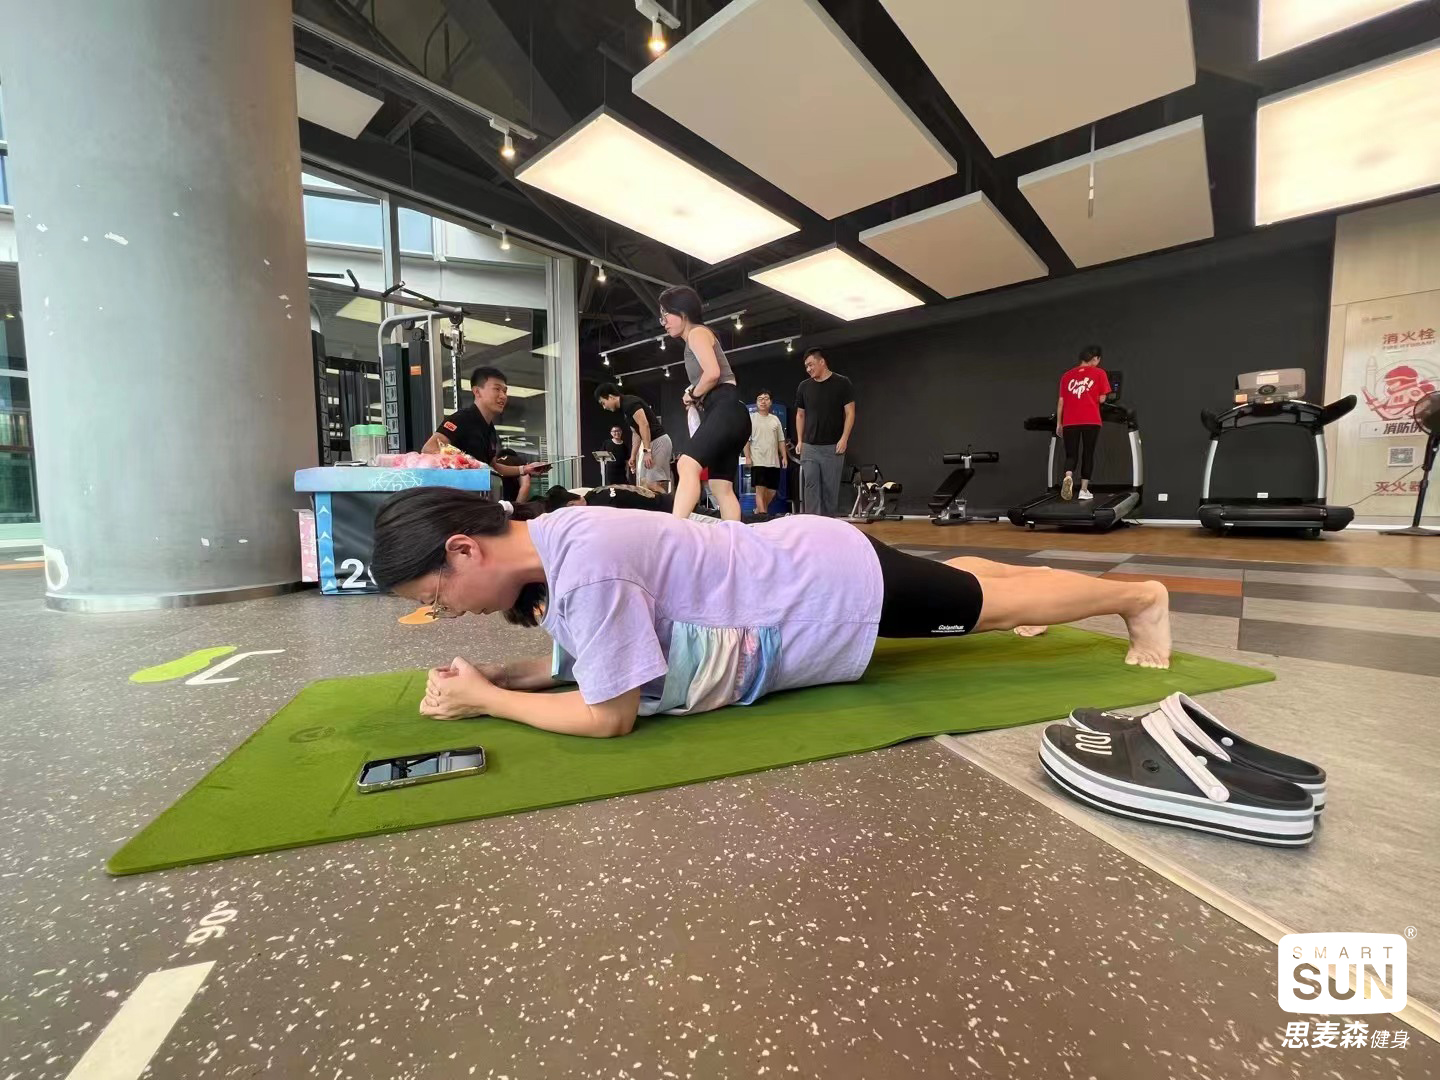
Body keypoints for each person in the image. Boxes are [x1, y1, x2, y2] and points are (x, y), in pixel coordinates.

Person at [370, 488, 1173, 738]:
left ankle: (1136, 599)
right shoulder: (563, 534)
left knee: (983, 608)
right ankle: (1045, 594)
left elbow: (609, 716)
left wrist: (487, 701)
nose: (448, 614)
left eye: (435, 598)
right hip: (810, 557)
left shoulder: (585, 568)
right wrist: (506, 673)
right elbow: (598, 652)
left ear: (464, 550)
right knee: (963, 581)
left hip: (830, 590)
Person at [660, 285, 752, 522]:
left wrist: (692, 394)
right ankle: (734, 538)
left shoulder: (697, 333)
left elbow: (712, 373)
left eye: (666, 315)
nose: (664, 322)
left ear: (682, 312)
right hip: (731, 414)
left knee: (686, 465)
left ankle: (675, 531)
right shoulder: (696, 337)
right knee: (721, 485)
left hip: (726, 410)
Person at [424, 365, 548, 487]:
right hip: (459, 493)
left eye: (505, 391)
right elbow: (429, 448)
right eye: (497, 389)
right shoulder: (462, 418)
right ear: (477, 391)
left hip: (480, 493)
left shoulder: (490, 429)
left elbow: (493, 466)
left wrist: (525, 469)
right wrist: (466, 462)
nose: (503, 396)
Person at [794, 349, 855, 516]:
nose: (808, 369)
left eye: (811, 365)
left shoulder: (842, 383)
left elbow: (850, 412)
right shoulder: (804, 386)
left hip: (833, 447)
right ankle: (813, 526)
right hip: (809, 447)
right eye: (806, 366)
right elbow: (800, 414)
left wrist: (844, 439)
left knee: (830, 490)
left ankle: (829, 525)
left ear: (822, 362)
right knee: (811, 487)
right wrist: (800, 440)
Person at [1056, 345, 1111, 502]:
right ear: (1095, 358)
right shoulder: (1100, 373)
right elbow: (1102, 399)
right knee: (1088, 453)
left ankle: (1068, 476)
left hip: (1069, 421)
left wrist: (1059, 423)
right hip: (1091, 420)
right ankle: (1084, 490)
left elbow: (1061, 402)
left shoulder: (1067, 375)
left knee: (1071, 454)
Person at [596, 384, 672, 493]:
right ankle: (657, 504)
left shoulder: (630, 403)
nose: (604, 407)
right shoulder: (625, 409)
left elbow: (644, 425)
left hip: (658, 441)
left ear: (611, 397)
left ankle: (669, 503)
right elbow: (636, 433)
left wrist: (647, 451)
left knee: (653, 483)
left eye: (603, 403)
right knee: (644, 483)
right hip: (650, 443)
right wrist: (633, 456)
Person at [744, 390, 788, 517]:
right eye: (760, 399)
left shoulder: (775, 419)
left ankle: (759, 511)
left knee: (772, 491)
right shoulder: (751, 419)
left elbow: (781, 440)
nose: (763, 401)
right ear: (756, 402)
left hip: (773, 461)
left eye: (766, 398)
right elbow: (746, 440)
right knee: (760, 489)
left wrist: (784, 457)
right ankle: (763, 516)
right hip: (758, 460)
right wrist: (748, 457)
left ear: (771, 402)